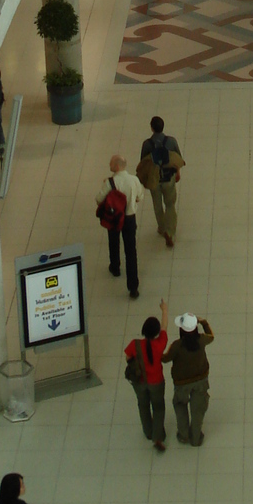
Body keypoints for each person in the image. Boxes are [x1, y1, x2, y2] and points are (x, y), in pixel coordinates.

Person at [97, 154, 143, 296]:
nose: (109, 165)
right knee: (131, 251)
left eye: (111, 163)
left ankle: (115, 267)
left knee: (113, 241)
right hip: (129, 218)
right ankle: (133, 287)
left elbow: (99, 199)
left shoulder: (110, 182)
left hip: (114, 218)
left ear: (116, 166)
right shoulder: (134, 180)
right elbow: (139, 197)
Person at [125, 300, 169, 450]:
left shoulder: (135, 344)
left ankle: (148, 432)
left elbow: (128, 358)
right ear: (156, 333)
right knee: (158, 407)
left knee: (143, 405)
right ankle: (158, 437)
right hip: (156, 382)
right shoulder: (160, 344)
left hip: (139, 383)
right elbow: (164, 327)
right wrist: (164, 310)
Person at [165, 313, 213, 446]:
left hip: (182, 383)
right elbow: (211, 336)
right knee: (197, 409)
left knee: (180, 406)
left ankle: (183, 435)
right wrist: (204, 322)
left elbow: (165, 359)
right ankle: (196, 438)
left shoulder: (176, 345)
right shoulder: (202, 340)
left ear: (181, 330)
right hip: (201, 380)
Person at [139, 114, 183, 246]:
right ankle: (170, 232)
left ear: (152, 128)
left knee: (157, 205)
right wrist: (177, 173)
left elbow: (143, 163)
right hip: (168, 178)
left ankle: (162, 227)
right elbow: (177, 158)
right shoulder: (171, 141)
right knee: (170, 204)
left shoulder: (147, 144)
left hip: (154, 180)